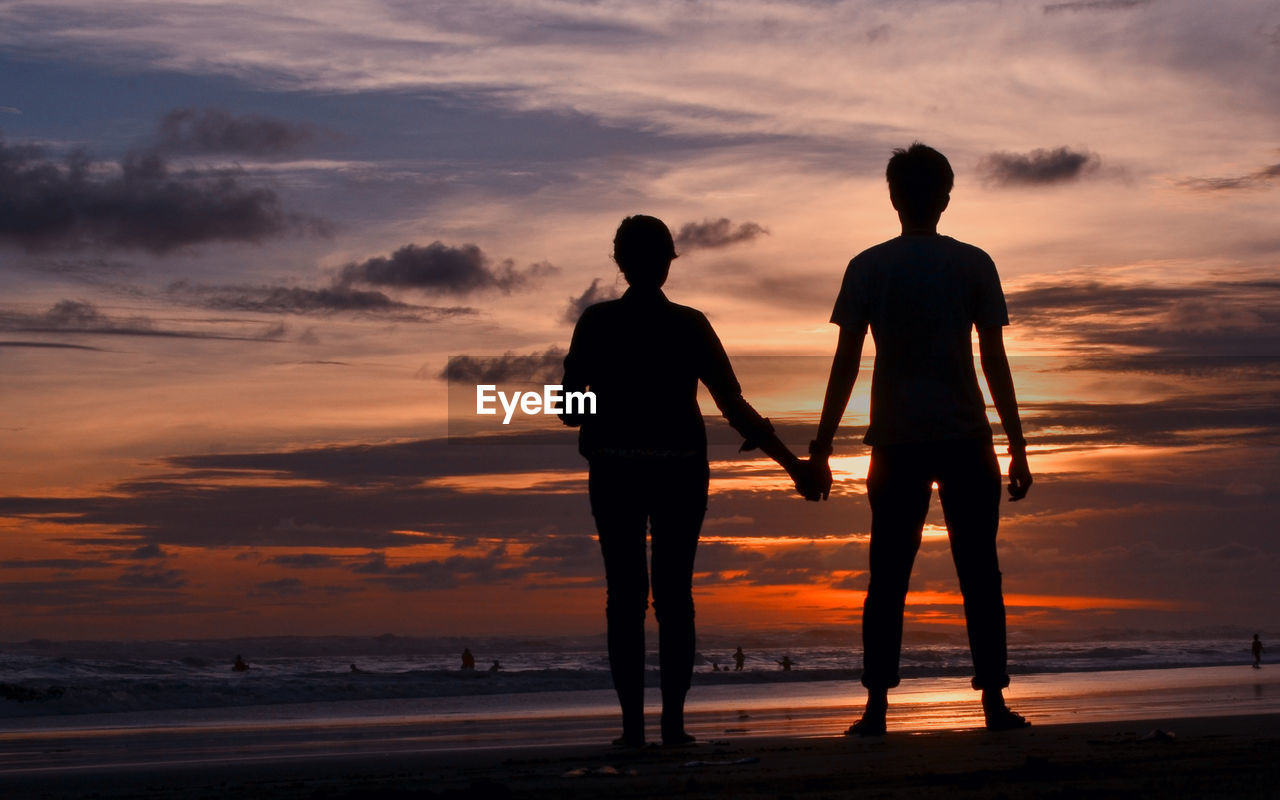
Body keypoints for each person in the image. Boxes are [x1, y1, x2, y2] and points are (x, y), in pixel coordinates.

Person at [562, 214, 817, 748]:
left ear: (619, 263)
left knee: (625, 598)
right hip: (679, 470)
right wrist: (791, 464)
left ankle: (634, 729)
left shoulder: (596, 322)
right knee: (674, 597)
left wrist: (596, 402)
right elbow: (734, 407)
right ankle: (673, 726)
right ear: (668, 263)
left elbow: (568, 407)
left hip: (615, 471)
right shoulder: (690, 324)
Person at [805, 143, 1033, 735]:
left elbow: (845, 363)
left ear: (894, 197)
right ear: (946, 197)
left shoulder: (869, 266)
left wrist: (824, 444)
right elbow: (995, 362)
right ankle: (992, 705)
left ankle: (877, 709)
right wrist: (1017, 444)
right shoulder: (973, 263)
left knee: (888, 575)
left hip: (899, 441)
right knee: (980, 573)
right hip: (964, 437)